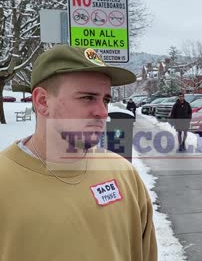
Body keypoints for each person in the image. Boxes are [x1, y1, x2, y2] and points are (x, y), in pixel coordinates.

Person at [0, 45, 157, 260]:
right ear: (43, 101)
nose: (102, 112)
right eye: (87, 97)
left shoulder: (124, 174)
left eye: (106, 99)